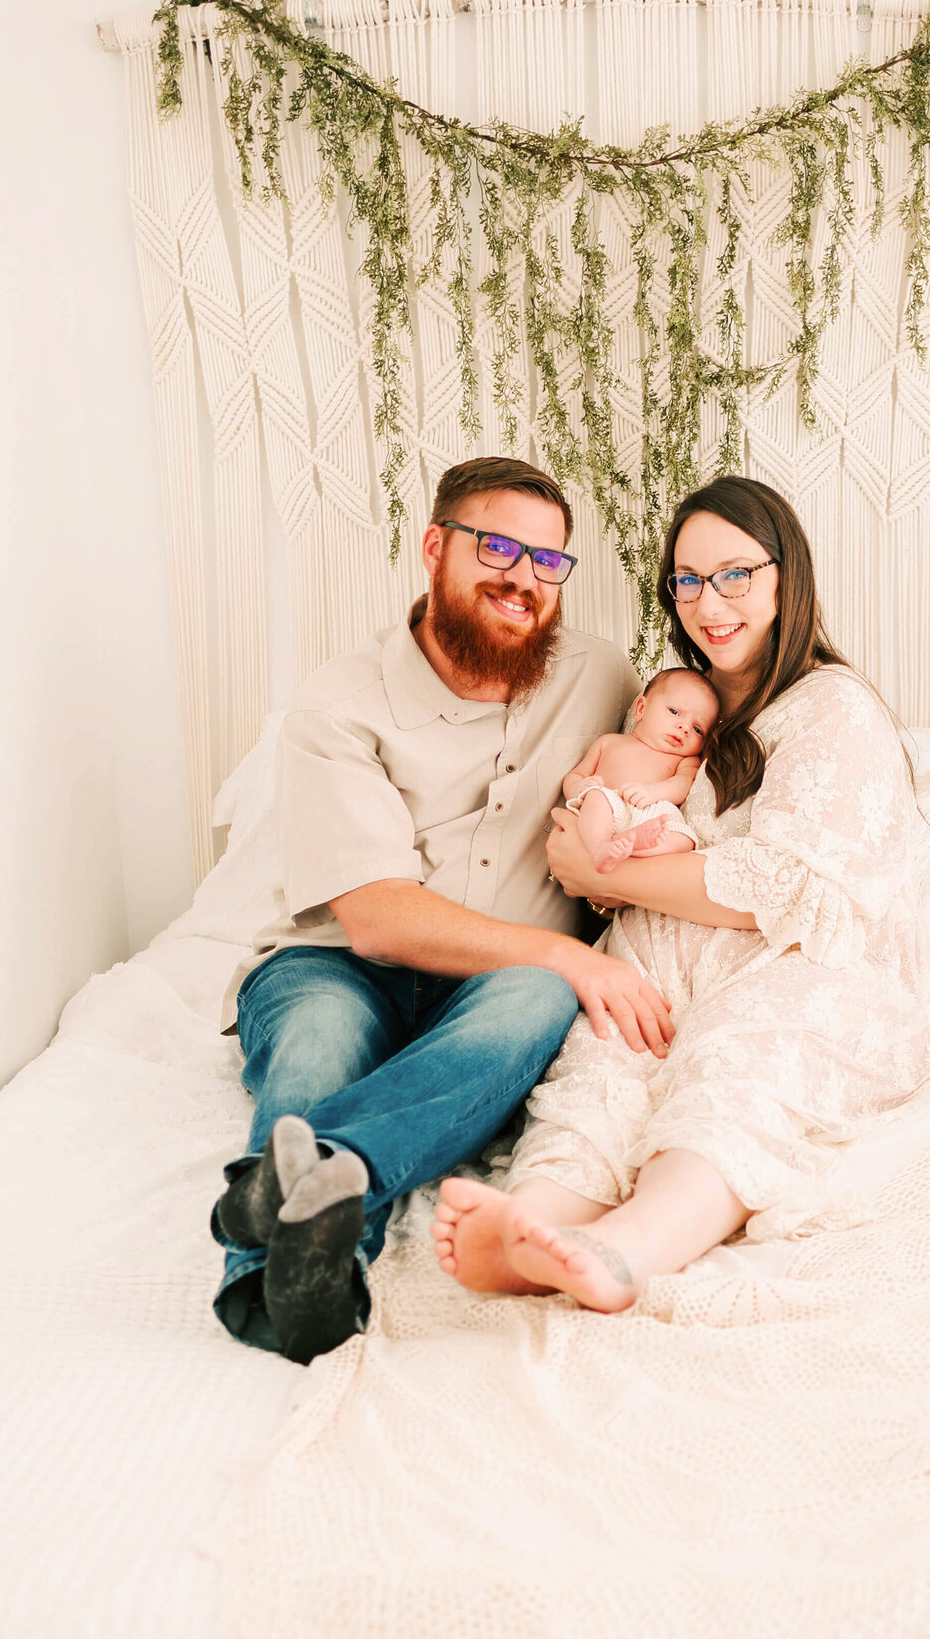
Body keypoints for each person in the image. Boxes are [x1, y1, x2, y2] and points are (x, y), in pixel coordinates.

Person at [432, 475, 930, 1312]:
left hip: (802, 963)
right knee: (602, 1066)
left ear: (787, 576)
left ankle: (626, 1250)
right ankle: (530, 1225)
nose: (711, 602)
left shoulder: (832, 707)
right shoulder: (680, 714)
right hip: (670, 956)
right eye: (688, 579)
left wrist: (604, 872)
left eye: (735, 574)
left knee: (734, 1067)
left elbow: (783, 885)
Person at [211, 455, 672, 1363]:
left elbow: (694, 764)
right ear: (435, 546)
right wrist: (574, 953)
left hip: (498, 991)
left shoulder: (604, 677)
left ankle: (299, 1190)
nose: (526, 580)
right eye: (500, 547)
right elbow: (378, 917)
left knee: (540, 994)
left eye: (550, 562)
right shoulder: (340, 702)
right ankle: (278, 1285)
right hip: (336, 962)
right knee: (317, 1044)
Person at [563, 668, 718, 873]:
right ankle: (599, 848)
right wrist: (580, 787)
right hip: (610, 806)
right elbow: (575, 775)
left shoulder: (685, 759)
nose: (685, 728)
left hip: (653, 814)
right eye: (674, 712)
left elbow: (683, 784)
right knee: (595, 797)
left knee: (686, 840)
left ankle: (632, 848)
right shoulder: (609, 742)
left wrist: (654, 792)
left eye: (698, 729)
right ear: (641, 709)